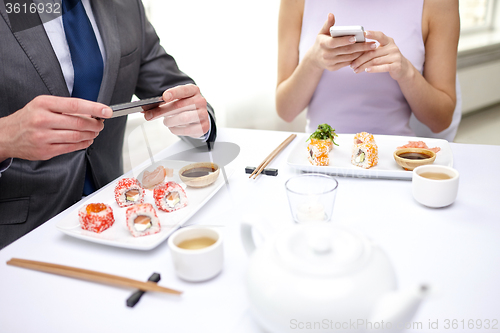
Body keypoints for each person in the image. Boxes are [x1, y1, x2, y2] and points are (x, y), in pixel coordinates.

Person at [0, 0, 217, 248]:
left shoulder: (126, 6)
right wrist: (5, 136)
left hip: (121, 221)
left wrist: (198, 120)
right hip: (22, 236)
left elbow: (173, 88)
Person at [276, 0, 460, 138]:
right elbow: (285, 110)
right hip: (321, 158)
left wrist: (406, 72)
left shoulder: (438, 4)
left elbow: (441, 120)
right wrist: (312, 61)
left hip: (393, 160)